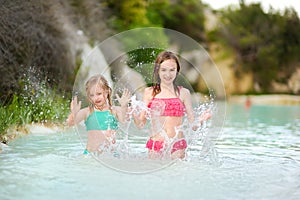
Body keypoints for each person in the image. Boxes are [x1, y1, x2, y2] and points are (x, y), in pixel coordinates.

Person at [132, 51, 211, 159]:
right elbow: (140, 124)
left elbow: (193, 125)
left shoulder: (184, 93)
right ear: (157, 71)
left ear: (177, 71)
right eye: (163, 70)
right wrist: (132, 113)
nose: (168, 74)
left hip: (177, 145)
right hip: (156, 145)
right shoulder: (149, 92)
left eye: (172, 70)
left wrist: (201, 120)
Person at [67, 74, 130, 154]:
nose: (96, 98)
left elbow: (123, 120)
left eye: (99, 94)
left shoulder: (114, 110)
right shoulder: (87, 112)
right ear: (89, 97)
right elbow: (70, 123)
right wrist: (74, 113)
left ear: (107, 92)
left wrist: (124, 106)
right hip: (91, 154)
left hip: (111, 154)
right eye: (92, 95)